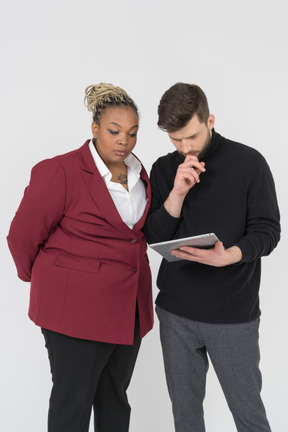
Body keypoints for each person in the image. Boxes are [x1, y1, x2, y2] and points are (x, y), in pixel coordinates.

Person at [7, 82, 153, 432]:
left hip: (127, 308)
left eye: (132, 133)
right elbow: (21, 236)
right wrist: (49, 282)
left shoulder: (139, 173)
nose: (124, 141)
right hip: (74, 310)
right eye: (114, 131)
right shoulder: (61, 171)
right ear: (94, 129)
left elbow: (133, 236)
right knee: (72, 405)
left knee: (115, 399)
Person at [144, 82, 280, 432]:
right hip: (176, 314)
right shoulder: (163, 170)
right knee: (185, 419)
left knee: (249, 416)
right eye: (175, 140)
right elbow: (154, 236)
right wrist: (176, 194)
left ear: (211, 121)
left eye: (191, 136)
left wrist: (230, 256)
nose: (185, 148)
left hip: (232, 316)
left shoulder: (249, 163)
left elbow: (268, 231)